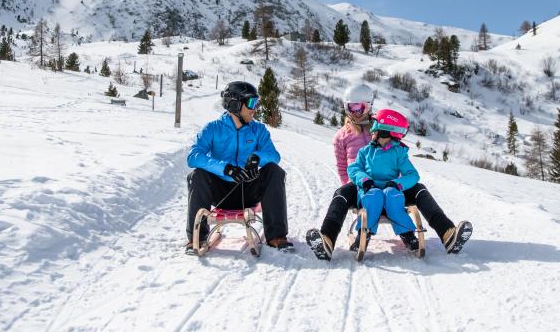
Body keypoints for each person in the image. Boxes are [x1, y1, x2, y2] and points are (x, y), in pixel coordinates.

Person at [306, 84, 471, 260]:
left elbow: (403, 157)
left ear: (369, 105)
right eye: (350, 107)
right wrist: (357, 186)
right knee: (341, 193)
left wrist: (398, 184)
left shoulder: (382, 126)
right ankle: (327, 240)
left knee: (420, 189)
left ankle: (448, 234)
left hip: (393, 187)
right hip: (362, 186)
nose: (355, 112)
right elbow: (343, 167)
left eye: (359, 107)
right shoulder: (341, 136)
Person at [186, 81, 293, 254]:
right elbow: (193, 157)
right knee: (197, 175)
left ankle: (276, 236)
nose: (255, 108)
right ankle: (196, 238)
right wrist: (225, 168)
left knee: (274, 171)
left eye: (256, 103)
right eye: (251, 103)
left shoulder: (258, 129)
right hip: (221, 193)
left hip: (248, 192)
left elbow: (274, 155)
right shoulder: (213, 129)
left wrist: (256, 159)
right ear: (235, 104)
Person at [347, 109, 421, 251]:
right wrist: (365, 180)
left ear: (385, 130)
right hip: (369, 191)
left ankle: (407, 234)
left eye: (375, 125)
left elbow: (412, 175)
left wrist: (397, 183)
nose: (372, 130)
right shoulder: (365, 151)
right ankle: (363, 234)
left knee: (392, 195)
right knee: (374, 196)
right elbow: (354, 168)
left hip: (390, 191)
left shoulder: (398, 152)